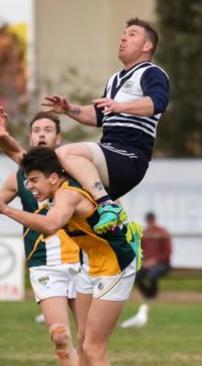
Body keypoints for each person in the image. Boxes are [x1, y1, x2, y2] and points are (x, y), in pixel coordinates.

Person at [0, 147, 141, 366]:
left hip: (114, 265)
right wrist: (6, 142)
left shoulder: (67, 195)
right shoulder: (58, 186)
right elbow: (33, 164)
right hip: (90, 263)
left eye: (34, 181)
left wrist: (7, 210)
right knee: (83, 340)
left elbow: (50, 226)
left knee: (94, 349)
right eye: (28, 181)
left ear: (54, 177)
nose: (30, 187)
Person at [42, 17, 170, 234]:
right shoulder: (115, 79)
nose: (123, 38)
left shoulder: (151, 72)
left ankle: (108, 204)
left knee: (65, 153)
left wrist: (120, 106)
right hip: (110, 152)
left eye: (132, 34)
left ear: (147, 46)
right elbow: (99, 115)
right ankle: (126, 234)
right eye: (123, 33)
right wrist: (69, 109)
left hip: (129, 155)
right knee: (68, 191)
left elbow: (157, 103)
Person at [0, 108, 80, 365]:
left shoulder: (73, 170)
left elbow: (17, 154)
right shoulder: (18, 178)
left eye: (47, 130)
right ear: (30, 137)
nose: (41, 135)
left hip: (84, 262)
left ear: (59, 138)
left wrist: (4, 138)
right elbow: (19, 159)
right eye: (36, 130)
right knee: (59, 337)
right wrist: (4, 137)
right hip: (44, 264)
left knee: (90, 341)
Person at [121, 211, 172, 328]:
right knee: (136, 276)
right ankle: (148, 296)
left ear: (154, 220)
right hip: (147, 263)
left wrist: (154, 260)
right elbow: (140, 250)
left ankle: (152, 296)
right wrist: (144, 261)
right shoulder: (144, 233)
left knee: (153, 275)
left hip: (162, 263)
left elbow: (167, 252)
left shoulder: (162, 233)